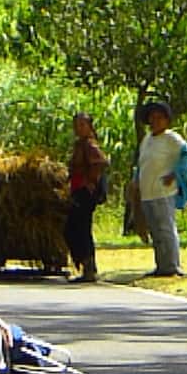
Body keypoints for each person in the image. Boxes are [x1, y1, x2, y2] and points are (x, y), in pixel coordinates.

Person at [133, 101, 187, 278]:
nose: (155, 121)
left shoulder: (172, 139)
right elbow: (141, 164)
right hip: (147, 192)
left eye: (159, 118)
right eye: (152, 118)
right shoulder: (147, 140)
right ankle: (161, 265)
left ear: (166, 120)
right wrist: (136, 182)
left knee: (166, 228)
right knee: (155, 230)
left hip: (163, 191)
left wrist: (176, 175)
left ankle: (172, 265)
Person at [65, 112, 108, 283]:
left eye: (82, 125)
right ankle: (85, 265)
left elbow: (100, 163)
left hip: (85, 192)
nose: (79, 128)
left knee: (80, 229)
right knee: (75, 228)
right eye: (76, 125)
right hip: (77, 190)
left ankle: (88, 267)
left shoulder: (90, 145)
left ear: (90, 126)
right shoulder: (79, 145)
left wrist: (90, 182)